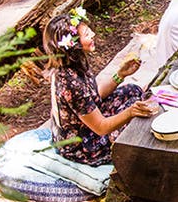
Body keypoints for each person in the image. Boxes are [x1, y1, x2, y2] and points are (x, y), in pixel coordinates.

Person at [45, 9, 158, 166]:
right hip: (83, 144)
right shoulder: (70, 82)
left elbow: (94, 96)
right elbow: (101, 128)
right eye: (86, 34)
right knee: (135, 119)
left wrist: (120, 75)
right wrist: (130, 112)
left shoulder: (74, 62)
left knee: (132, 90)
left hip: (89, 122)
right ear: (73, 44)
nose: (92, 35)